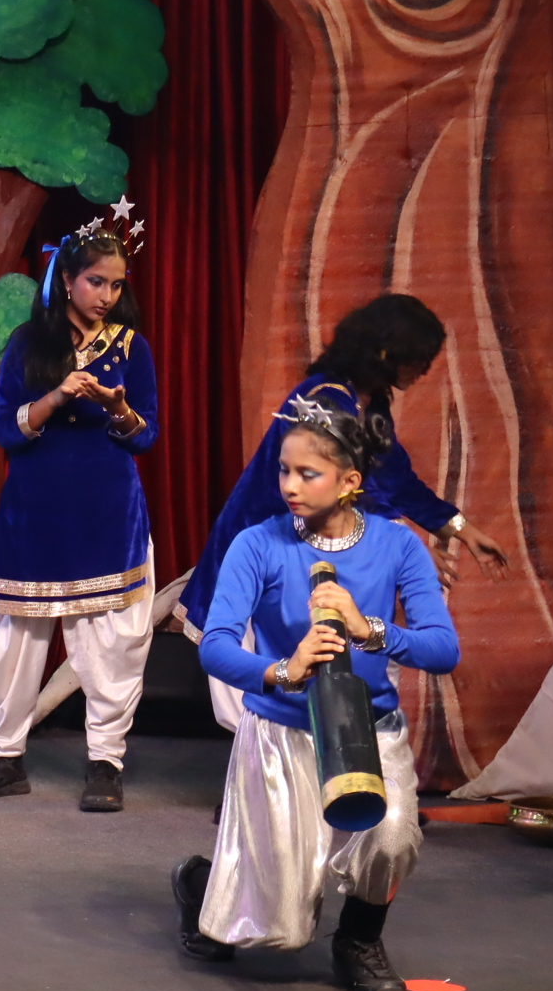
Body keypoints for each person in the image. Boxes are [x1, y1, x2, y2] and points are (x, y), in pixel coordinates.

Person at [175, 398, 458, 991]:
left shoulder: (398, 545)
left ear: (350, 482)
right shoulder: (257, 544)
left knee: (393, 834)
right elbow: (215, 646)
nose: (289, 486)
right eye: (284, 470)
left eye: (308, 474)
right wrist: (284, 669)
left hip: (370, 728)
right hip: (282, 731)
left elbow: (442, 649)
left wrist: (371, 629)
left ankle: (359, 938)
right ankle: (203, 884)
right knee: (279, 929)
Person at [177, 294, 509, 731]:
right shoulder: (326, 398)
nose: (424, 371)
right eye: (420, 359)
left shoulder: (370, 403)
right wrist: (399, 540)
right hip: (276, 554)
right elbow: (349, 488)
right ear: (389, 352)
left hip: (322, 551)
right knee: (261, 703)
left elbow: (394, 479)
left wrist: (461, 528)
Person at [0, 218, 160, 812]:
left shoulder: (132, 347)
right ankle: (2, 757)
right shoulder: (28, 344)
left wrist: (118, 408)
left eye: (117, 285)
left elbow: (146, 436)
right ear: (67, 279)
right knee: (14, 641)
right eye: (97, 282)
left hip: (107, 515)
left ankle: (106, 762)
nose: (107, 295)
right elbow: (4, 429)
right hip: (35, 515)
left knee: (112, 643)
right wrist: (56, 396)